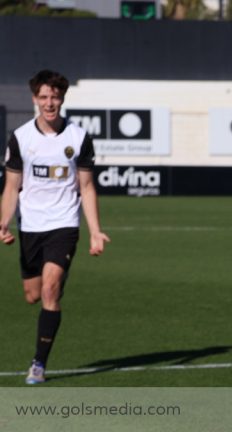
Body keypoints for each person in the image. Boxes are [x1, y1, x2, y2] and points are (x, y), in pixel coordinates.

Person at [1, 69, 110, 385]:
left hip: (64, 223)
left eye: (55, 97)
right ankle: (52, 281)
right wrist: (3, 222)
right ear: (35, 99)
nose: (50, 103)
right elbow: (11, 188)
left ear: (63, 98)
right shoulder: (21, 138)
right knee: (32, 295)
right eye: (44, 97)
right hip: (31, 226)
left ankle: (38, 364)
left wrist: (95, 230)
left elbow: (87, 187)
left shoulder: (78, 138)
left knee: (49, 289)